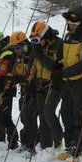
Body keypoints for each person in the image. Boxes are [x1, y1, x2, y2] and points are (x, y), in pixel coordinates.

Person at [54, 5, 82, 162]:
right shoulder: (67, 37)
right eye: (68, 23)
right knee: (66, 114)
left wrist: (62, 73)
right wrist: (57, 66)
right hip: (67, 83)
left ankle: (78, 149)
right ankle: (70, 145)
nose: (70, 26)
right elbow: (61, 57)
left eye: (73, 24)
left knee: (78, 115)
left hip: (81, 82)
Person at [28, 21, 64, 153]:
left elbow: (54, 66)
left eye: (37, 39)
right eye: (33, 40)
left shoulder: (59, 44)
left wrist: (40, 55)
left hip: (54, 83)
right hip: (39, 82)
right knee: (42, 115)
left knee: (48, 111)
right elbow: (31, 65)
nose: (36, 43)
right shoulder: (37, 47)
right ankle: (45, 145)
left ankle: (58, 137)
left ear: (46, 35)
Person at [9, 31, 36, 156]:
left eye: (18, 47)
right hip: (24, 89)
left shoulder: (32, 54)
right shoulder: (17, 56)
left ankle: (33, 144)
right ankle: (25, 142)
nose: (16, 50)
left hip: (34, 89)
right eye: (14, 48)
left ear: (24, 43)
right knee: (24, 116)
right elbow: (16, 72)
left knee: (30, 116)